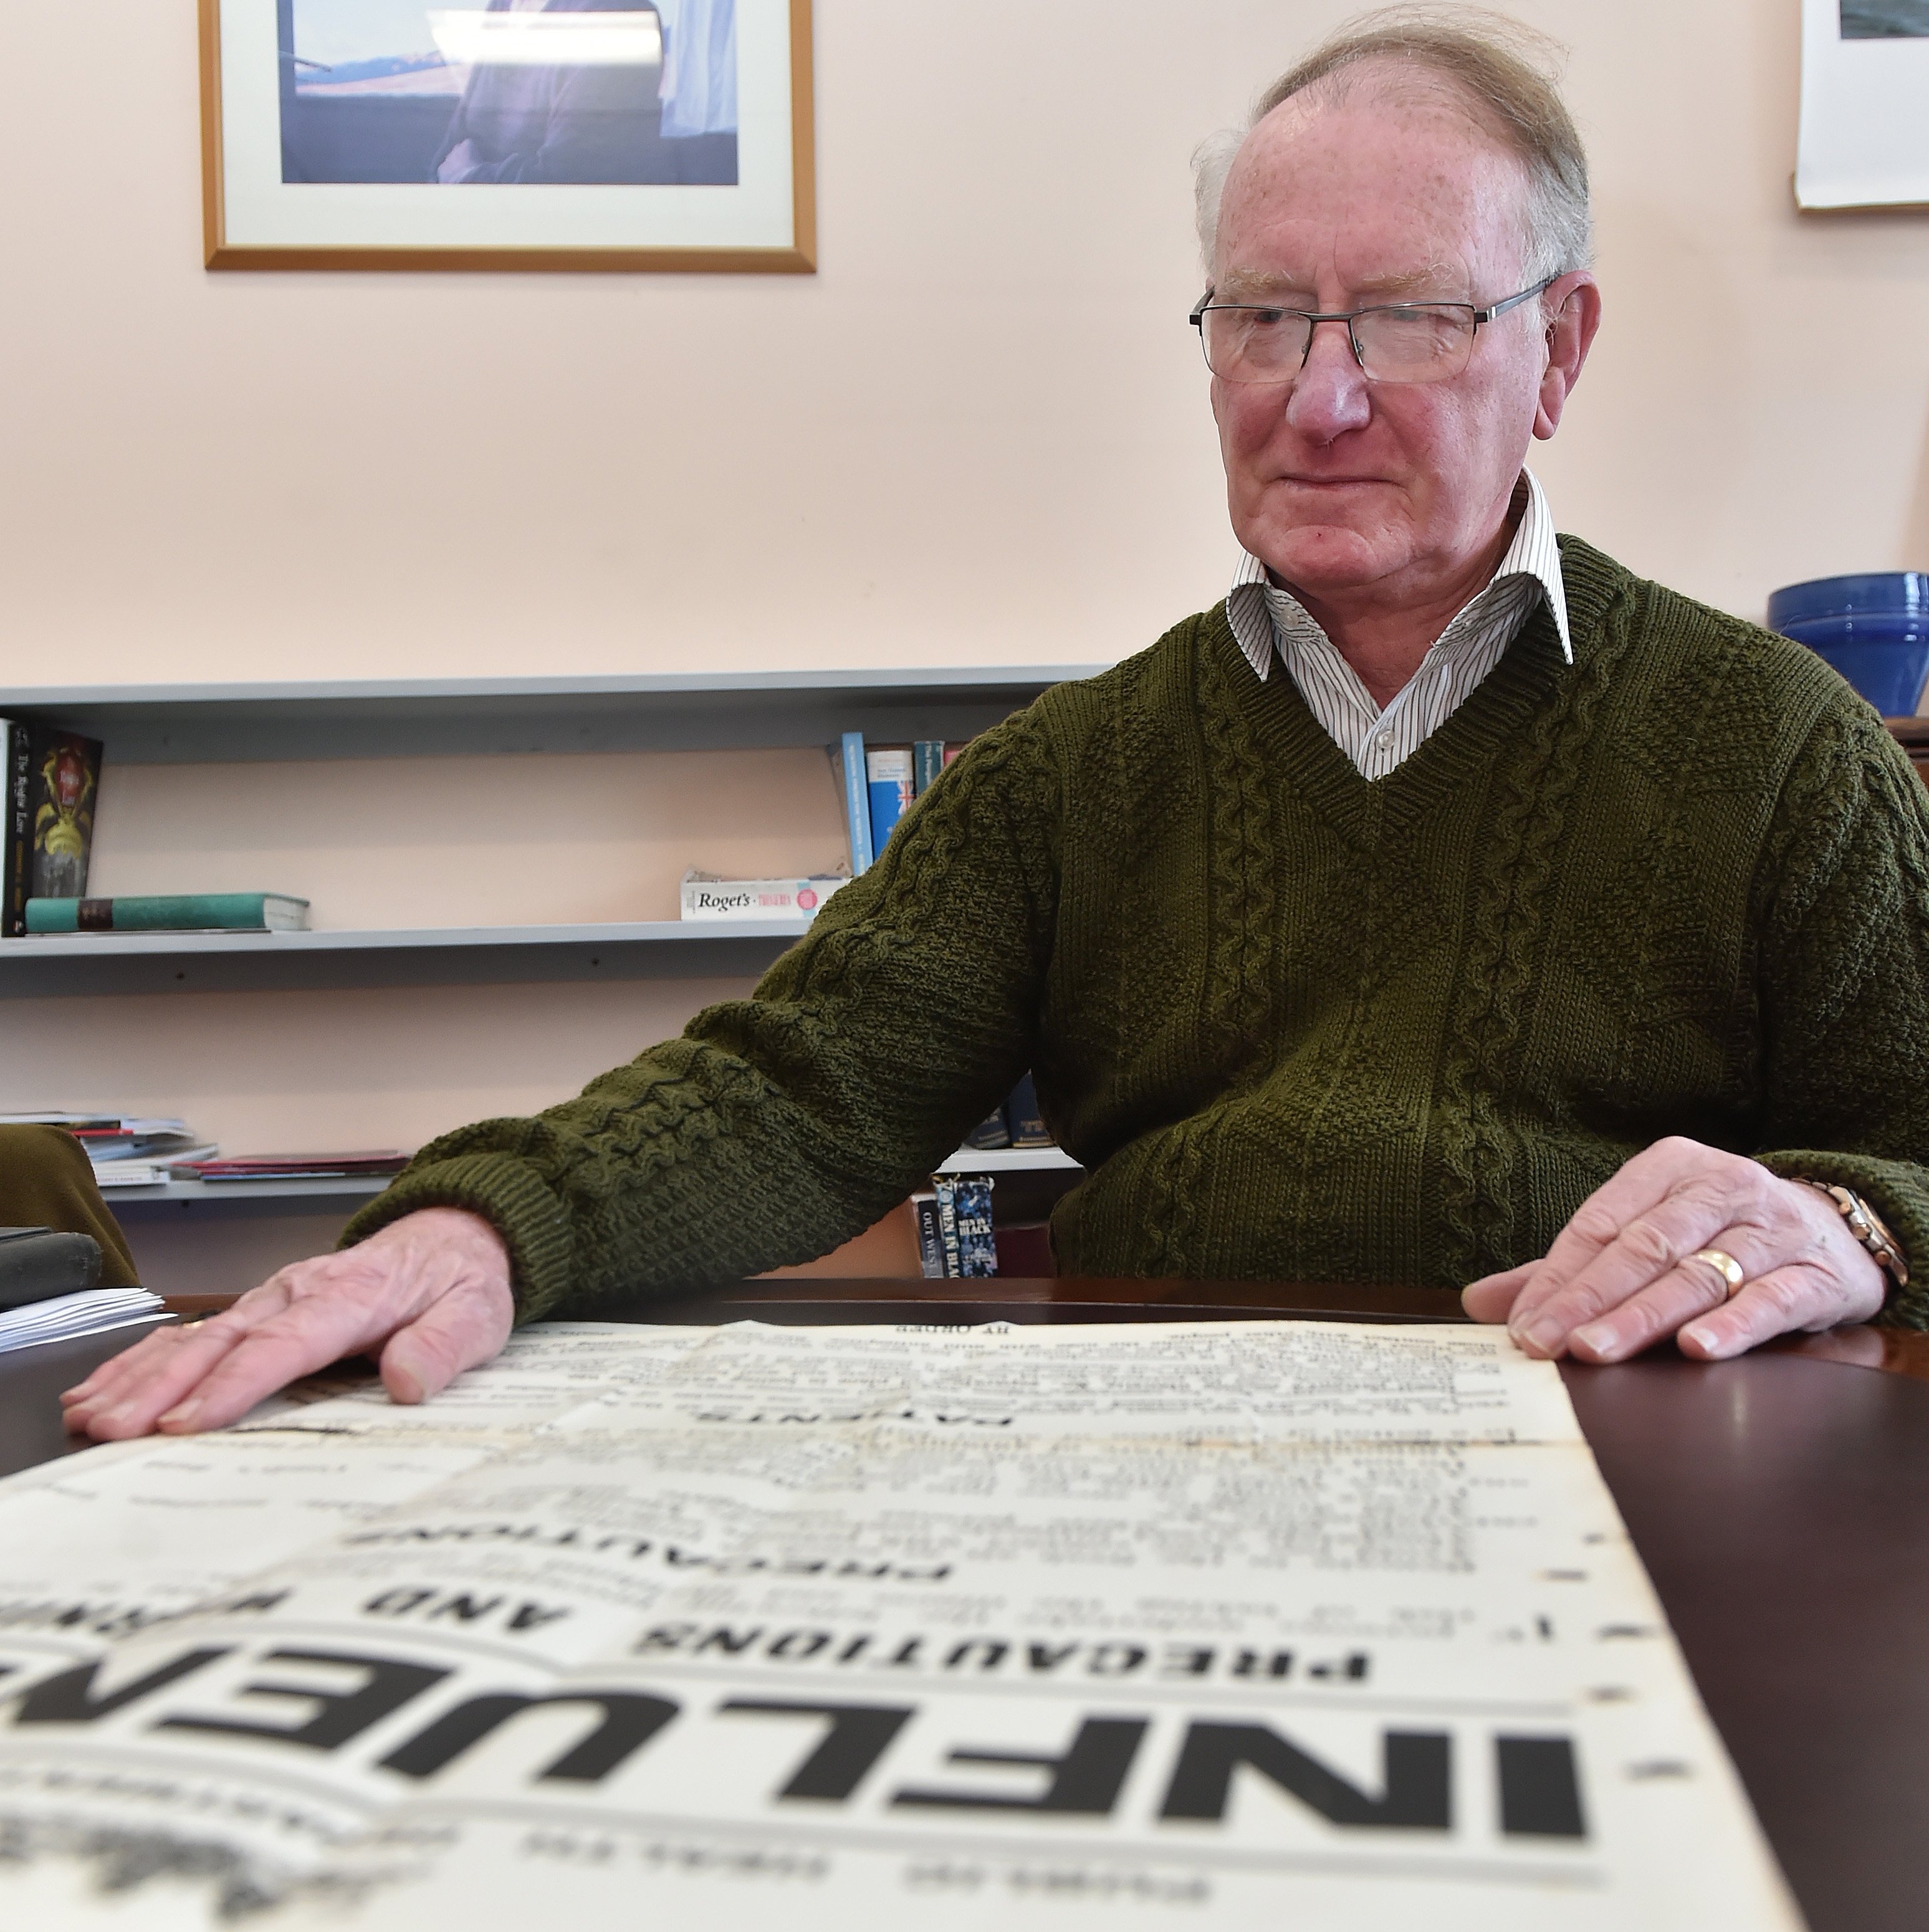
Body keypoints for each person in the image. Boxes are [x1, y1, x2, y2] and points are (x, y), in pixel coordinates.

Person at [65, 9, 1929, 1443]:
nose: (1322, 395)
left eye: (1411, 320)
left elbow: (1916, 1161)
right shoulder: (1067, 780)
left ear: (1562, 351)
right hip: (1145, 1471)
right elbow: (795, 1088)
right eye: (1264, 317)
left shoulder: (1779, 754)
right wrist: (478, 1231)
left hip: (1627, 1487)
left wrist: (1852, 1219)